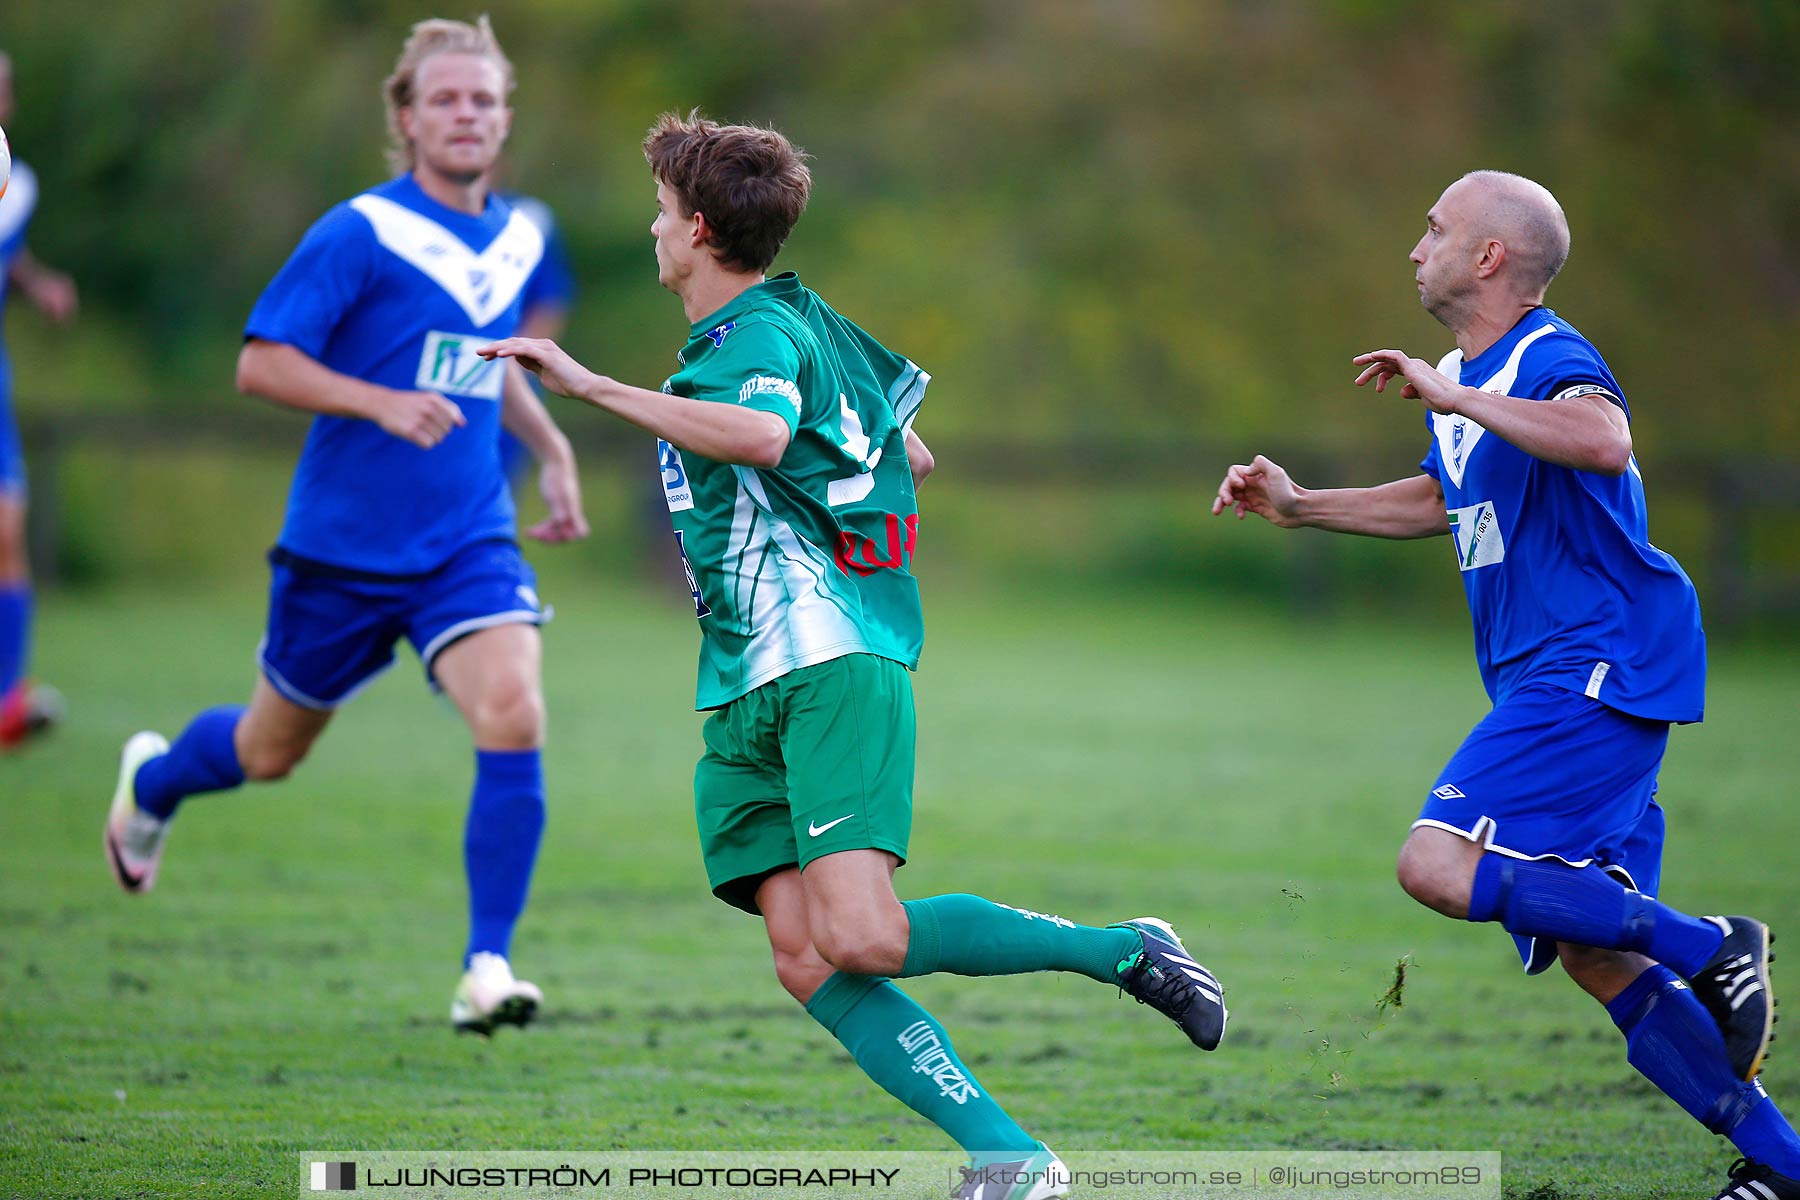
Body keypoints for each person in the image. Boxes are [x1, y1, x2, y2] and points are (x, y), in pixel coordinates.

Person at [479, 111, 1227, 1199]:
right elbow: (909, 449)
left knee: (864, 937)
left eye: (656, 213)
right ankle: (1011, 1158)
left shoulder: (761, 342)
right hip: (745, 682)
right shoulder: (809, 321)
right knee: (806, 954)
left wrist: (587, 384)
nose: (650, 231)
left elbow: (768, 436)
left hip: (827, 663)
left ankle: (1124, 947)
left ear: (694, 229)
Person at [1213, 170, 1799, 1199]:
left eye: (1433, 229)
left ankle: (1714, 945)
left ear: (1490, 257)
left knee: (1434, 866)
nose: (1414, 247)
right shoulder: (1468, 375)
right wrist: (1303, 507)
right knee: (1596, 957)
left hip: (1600, 656)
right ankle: (1785, 1166)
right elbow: (1444, 499)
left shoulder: (1544, 354)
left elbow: (1605, 436)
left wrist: (1457, 395)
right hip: (1558, 673)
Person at [102, 17, 589, 1038]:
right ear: (406, 118)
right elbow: (261, 362)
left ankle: (486, 966)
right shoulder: (359, 229)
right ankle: (151, 785)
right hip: (341, 552)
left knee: (514, 709)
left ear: (506, 119)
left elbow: (480, 364)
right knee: (268, 751)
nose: (467, 114)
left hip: (465, 539)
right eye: (446, 99)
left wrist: (547, 449)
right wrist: (375, 403)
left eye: (485, 100)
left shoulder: (517, 239)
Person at [0, 49, 77, 750]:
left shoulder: (16, 186)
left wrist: (37, 282)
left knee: (6, 536)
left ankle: (6, 700)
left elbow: (8, 253)